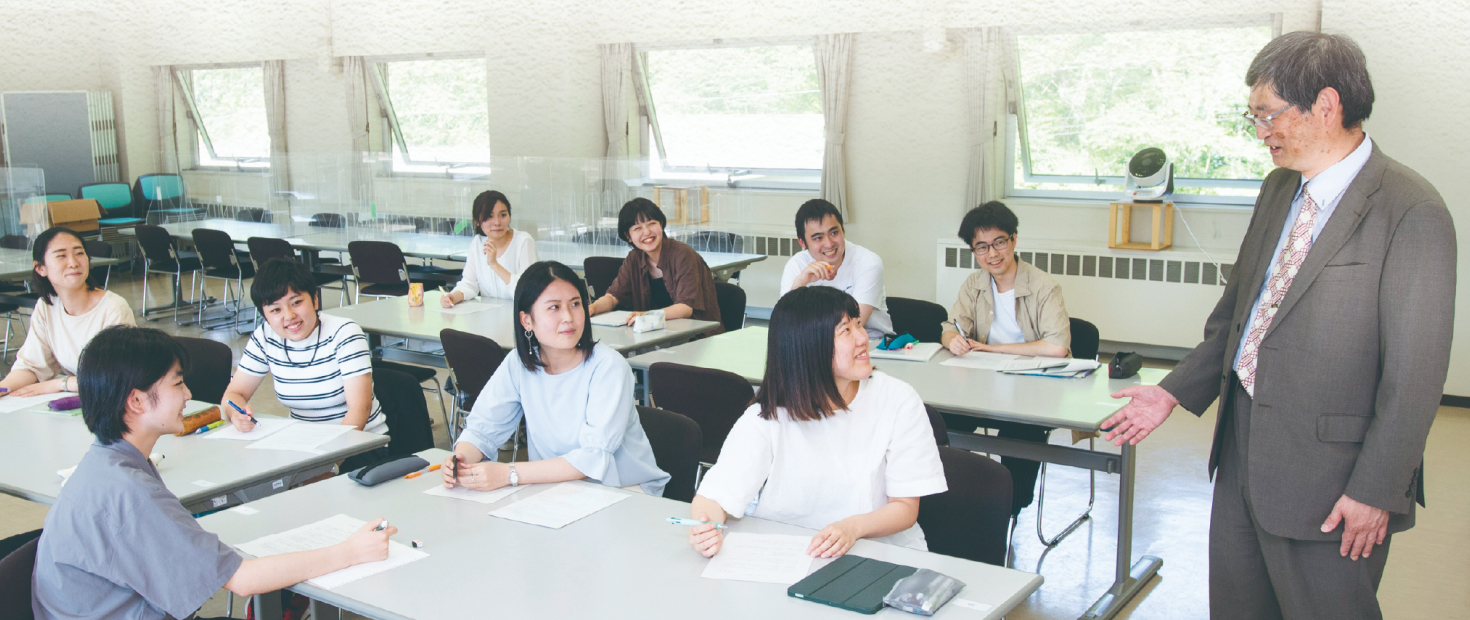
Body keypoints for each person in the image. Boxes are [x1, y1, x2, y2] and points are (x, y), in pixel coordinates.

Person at [1100, 33, 1453, 620]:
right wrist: (1171, 392)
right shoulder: (1278, 188)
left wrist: (1376, 490)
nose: (1260, 131)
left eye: (1268, 114)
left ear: (1327, 105)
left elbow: (1415, 375)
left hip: (1335, 479)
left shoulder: (1411, 210)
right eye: (1254, 116)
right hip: (1242, 457)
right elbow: (1240, 315)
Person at [31, 325, 396, 620]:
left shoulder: (105, 462)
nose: (189, 394)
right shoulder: (128, 491)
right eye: (177, 383)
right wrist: (351, 551)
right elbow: (243, 579)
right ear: (137, 400)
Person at [687, 287, 946, 559]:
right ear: (808, 347)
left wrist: (852, 527)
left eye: (859, 324)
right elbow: (714, 496)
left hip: (878, 553)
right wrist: (706, 528)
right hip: (790, 554)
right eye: (845, 331)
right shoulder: (768, 415)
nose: (862, 338)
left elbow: (905, 507)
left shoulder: (897, 399)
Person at [443, 260, 670, 495]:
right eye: (554, 307)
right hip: (552, 488)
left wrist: (508, 473)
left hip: (623, 491)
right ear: (527, 320)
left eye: (575, 304)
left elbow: (592, 457)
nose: (568, 317)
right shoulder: (518, 363)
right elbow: (482, 428)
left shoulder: (609, 367)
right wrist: (460, 461)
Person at [940, 201, 1070, 516]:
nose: (993, 254)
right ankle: (955, 497)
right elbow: (949, 326)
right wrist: (953, 340)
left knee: (1022, 433)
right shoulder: (974, 284)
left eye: (999, 242)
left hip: (1031, 390)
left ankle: (1011, 507)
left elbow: (1057, 348)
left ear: (1013, 239)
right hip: (981, 386)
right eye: (981, 247)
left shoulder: (1043, 286)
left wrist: (992, 350)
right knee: (943, 420)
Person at [221, 259, 385, 436]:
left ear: (315, 299)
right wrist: (236, 413)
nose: (289, 316)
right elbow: (233, 394)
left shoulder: (344, 333)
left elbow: (360, 409)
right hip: (304, 441)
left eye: (296, 302)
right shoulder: (265, 337)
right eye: (275, 310)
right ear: (265, 316)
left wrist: (330, 460)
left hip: (358, 443)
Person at [0, 226, 134, 398]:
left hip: (111, 402)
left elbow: (115, 378)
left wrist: (60, 384)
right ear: (41, 268)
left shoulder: (113, 308)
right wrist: (3, 388)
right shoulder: (46, 306)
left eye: (79, 253)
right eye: (61, 255)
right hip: (80, 398)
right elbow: (32, 367)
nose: (73, 262)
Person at [587, 198, 722, 328]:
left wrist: (646, 315)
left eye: (652, 223)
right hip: (654, 332)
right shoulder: (634, 258)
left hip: (697, 335)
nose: (647, 232)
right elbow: (613, 297)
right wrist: (592, 308)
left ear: (661, 224)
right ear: (628, 236)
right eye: (637, 228)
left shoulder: (682, 254)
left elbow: (685, 308)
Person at [779, 199, 893, 339]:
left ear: (843, 229)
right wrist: (799, 284)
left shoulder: (868, 263)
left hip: (868, 344)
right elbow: (784, 325)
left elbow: (851, 327)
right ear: (802, 242)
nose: (829, 244)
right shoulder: (796, 264)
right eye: (818, 238)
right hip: (815, 346)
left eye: (834, 233)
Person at [442, 190, 538, 306]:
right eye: (489, 216)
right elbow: (469, 284)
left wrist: (494, 264)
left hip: (519, 316)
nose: (497, 222)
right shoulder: (477, 243)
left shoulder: (524, 242)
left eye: (503, 215)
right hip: (489, 316)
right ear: (477, 221)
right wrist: (453, 297)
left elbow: (529, 292)